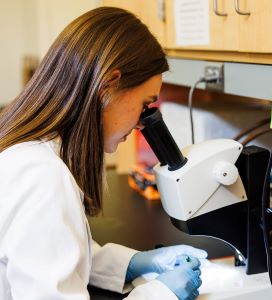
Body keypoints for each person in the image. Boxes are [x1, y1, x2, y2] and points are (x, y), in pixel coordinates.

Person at [0, 7, 208, 300]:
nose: (140, 124)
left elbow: (49, 253)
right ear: (108, 84)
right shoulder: (41, 175)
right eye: (144, 104)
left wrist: (133, 263)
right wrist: (161, 294)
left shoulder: (33, 153)